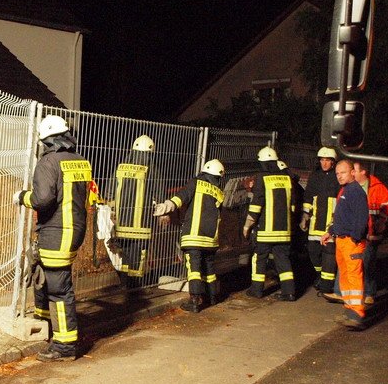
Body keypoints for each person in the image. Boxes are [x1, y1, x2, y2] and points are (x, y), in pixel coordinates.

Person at [15, 115, 92, 361]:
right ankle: (46, 322)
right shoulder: (80, 161)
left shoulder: (48, 162)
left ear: (45, 140)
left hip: (57, 232)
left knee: (59, 290)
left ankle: (65, 345)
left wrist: (22, 196)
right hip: (75, 229)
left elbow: (42, 199)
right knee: (46, 279)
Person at [154, 158, 226, 313]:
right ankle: (213, 297)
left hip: (194, 236)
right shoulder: (219, 192)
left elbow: (181, 197)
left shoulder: (196, 182)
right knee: (209, 269)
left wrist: (166, 207)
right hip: (211, 239)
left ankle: (194, 301)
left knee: (194, 269)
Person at [243, 145, 297, 301]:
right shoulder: (287, 178)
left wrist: (247, 225)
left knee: (260, 259)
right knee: (283, 260)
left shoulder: (261, 177)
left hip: (266, 230)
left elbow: (256, 205)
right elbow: (293, 206)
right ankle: (289, 292)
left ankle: (257, 290)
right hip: (284, 231)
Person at [321, 158, 368, 329]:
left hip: (350, 241)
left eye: (343, 173)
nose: (339, 176)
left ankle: (357, 315)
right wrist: (331, 232)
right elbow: (343, 217)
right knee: (346, 276)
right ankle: (350, 310)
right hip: (342, 240)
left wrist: (355, 238)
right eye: (337, 173)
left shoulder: (355, 192)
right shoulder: (347, 190)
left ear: (352, 173)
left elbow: (361, 219)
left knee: (353, 276)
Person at [111, 134, 156, 290]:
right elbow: (159, 193)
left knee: (126, 253)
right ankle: (136, 287)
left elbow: (111, 191)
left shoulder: (121, 167)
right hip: (141, 223)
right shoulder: (151, 170)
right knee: (140, 254)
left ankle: (125, 283)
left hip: (122, 222)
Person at [351, 161, 388, 305]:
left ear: (363, 172)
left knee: (368, 262)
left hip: (371, 232)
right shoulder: (351, 187)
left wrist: (381, 218)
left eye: (354, 170)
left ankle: (369, 293)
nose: (352, 173)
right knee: (355, 262)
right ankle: (352, 291)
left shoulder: (377, 187)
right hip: (356, 231)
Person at [301, 147, 339, 295]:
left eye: (327, 160)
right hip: (315, 222)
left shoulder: (337, 177)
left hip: (331, 224)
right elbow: (308, 197)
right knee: (313, 251)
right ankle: (320, 275)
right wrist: (305, 216)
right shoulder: (315, 176)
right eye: (322, 160)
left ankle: (326, 285)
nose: (324, 163)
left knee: (329, 254)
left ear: (333, 162)